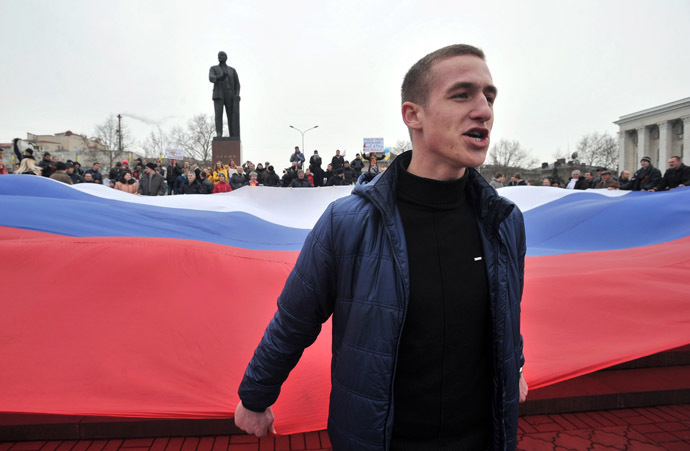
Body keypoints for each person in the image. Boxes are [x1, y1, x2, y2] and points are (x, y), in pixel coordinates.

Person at [234, 44, 527, 451]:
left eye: (489, 96)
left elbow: (506, 314)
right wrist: (256, 395)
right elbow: (294, 319)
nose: (484, 110)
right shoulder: (347, 222)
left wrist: (516, 367)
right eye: (462, 94)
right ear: (413, 115)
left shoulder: (505, 222)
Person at [209, 51, 240, 138]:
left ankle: (232, 134)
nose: (220, 56)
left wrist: (237, 95)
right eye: (219, 55)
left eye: (222, 55)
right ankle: (219, 133)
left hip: (229, 94)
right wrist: (220, 77)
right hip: (218, 94)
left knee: (231, 115)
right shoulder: (213, 68)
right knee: (218, 114)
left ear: (226, 57)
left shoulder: (232, 70)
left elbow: (237, 84)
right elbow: (211, 78)